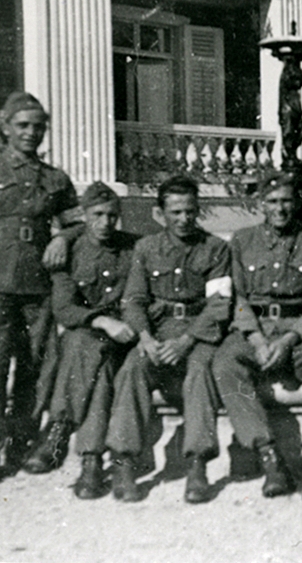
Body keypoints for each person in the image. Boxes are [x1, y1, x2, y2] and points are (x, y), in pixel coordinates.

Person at [0, 92, 83, 485]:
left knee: (36, 367)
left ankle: (22, 441)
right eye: (22, 125)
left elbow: (76, 221)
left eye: (38, 126)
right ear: (5, 128)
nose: (31, 133)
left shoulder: (54, 178)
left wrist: (63, 239)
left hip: (37, 288)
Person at [213, 170, 302, 504]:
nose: (280, 208)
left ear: (297, 202)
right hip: (254, 329)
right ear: (261, 204)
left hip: (298, 331)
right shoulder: (242, 241)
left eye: (287, 201)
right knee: (225, 363)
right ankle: (269, 456)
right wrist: (257, 339)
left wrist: (289, 339)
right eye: (272, 202)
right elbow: (237, 299)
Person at [105, 176, 232, 504]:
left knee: (201, 371)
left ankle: (197, 465)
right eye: (175, 212)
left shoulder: (216, 249)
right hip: (157, 333)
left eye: (190, 211)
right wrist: (145, 338)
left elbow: (219, 304)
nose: (184, 218)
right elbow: (133, 300)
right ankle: (122, 462)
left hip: (197, 332)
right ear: (160, 213)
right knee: (132, 369)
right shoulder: (145, 248)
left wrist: (187, 341)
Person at [21, 183, 139, 499]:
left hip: (123, 337)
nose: (105, 223)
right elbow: (64, 308)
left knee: (86, 349)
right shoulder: (70, 252)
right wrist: (101, 320)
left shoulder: (133, 248)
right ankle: (90, 461)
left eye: (112, 216)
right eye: (97, 215)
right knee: (97, 371)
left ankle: (59, 433)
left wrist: (117, 325)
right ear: (84, 216)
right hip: (91, 333)